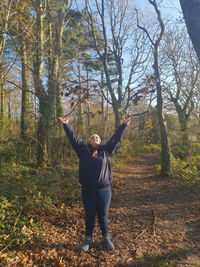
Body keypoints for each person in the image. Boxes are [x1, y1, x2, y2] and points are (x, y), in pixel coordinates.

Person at [59, 116, 131, 252]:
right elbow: (74, 139)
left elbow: (116, 139)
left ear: (100, 141)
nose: (95, 139)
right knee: (90, 215)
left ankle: (106, 238)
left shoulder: (106, 150)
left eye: (97, 138)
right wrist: (67, 125)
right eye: (92, 138)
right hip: (87, 191)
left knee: (103, 215)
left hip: (104, 190)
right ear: (89, 141)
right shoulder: (82, 151)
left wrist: (123, 125)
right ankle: (88, 239)